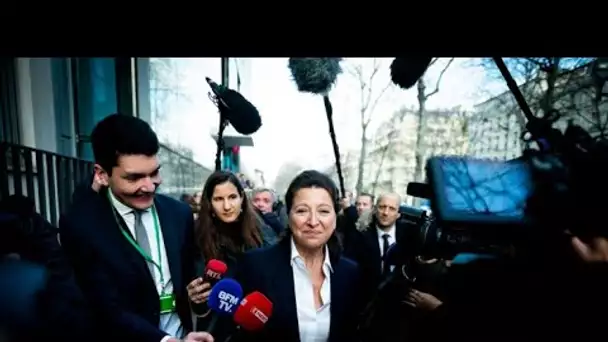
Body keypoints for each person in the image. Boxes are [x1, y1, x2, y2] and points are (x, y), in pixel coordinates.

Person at [59, 113, 200, 342]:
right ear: (102, 175)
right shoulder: (83, 226)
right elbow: (104, 308)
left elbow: (188, 284)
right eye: (134, 178)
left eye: (154, 173)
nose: (148, 186)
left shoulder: (179, 214)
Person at [236, 170, 362, 342]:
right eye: (302, 211)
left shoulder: (349, 273)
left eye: (323, 211)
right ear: (288, 215)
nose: (313, 221)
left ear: (335, 218)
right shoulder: (256, 266)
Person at [186, 171, 271, 339]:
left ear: (242, 198)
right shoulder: (197, 237)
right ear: (209, 203)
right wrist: (196, 299)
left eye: (232, 197)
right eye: (218, 199)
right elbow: (200, 305)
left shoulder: (262, 232)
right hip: (217, 332)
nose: (227, 206)